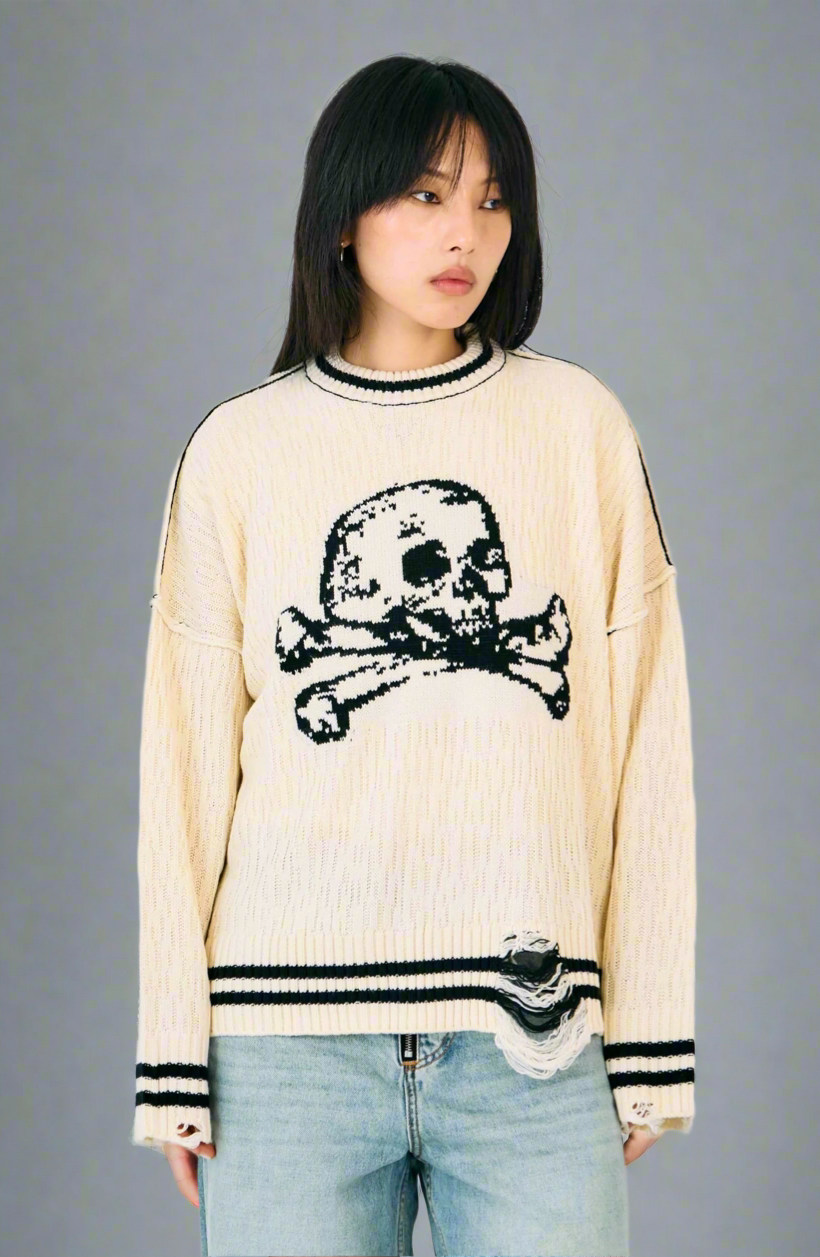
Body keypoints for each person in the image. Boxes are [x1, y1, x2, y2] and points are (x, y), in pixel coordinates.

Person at [130, 54, 697, 1257]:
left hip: (531, 1033)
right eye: (427, 194)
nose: (465, 233)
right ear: (343, 215)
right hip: (282, 1054)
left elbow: (649, 745)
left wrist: (648, 1040)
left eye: (493, 201)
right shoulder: (238, 450)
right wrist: (173, 1060)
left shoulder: (578, 429)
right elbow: (180, 773)